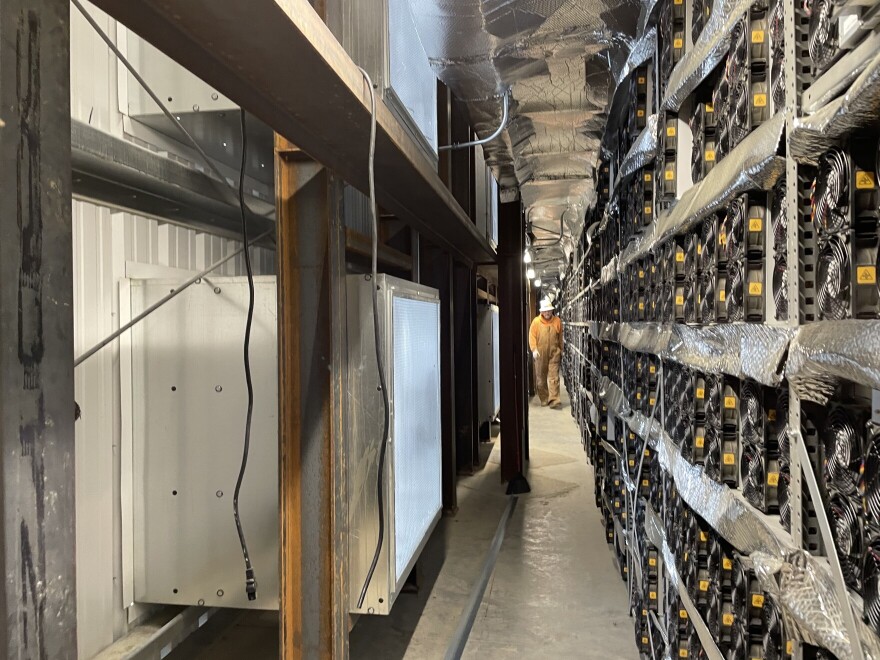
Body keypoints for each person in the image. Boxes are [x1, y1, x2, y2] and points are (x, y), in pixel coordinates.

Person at [529, 299, 563, 409]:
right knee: (540, 378)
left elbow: (560, 337)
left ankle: (554, 399)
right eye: (545, 311)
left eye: (549, 311)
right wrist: (534, 349)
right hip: (540, 353)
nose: (547, 313)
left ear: (552, 311)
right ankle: (544, 398)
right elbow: (532, 336)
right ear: (542, 312)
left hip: (554, 353)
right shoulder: (536, 322)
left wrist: (561, 350)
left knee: (554, 377)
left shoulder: (557, 321)